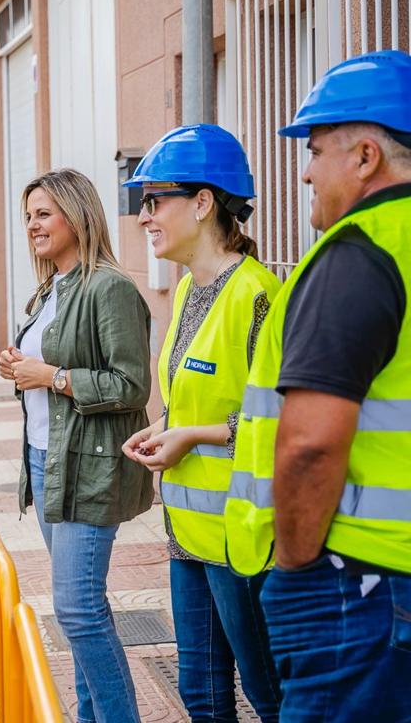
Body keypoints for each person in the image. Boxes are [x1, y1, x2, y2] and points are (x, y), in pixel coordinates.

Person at [224, 49, 411, 721]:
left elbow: (308, 446)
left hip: (355, 587)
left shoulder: (358, 255)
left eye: (315, 148)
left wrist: (298, 566)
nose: (304, 169)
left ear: (365, 158)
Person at [120, 125, 282, 722]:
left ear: (204, 202)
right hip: (188, 536)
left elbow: (281, 418)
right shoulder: (189, 289)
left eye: (155, 200)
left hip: (247, 542)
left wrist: (193, 437)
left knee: (272, 697)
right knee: (204, 697)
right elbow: (197, 398)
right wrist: (166, 425)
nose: (144, 216)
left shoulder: (258, 294)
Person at [0, 168, 153, 723]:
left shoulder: (109, 287)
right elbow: (47, 366)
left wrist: (53, 377)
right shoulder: (51, 287)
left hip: (89, 468)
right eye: (30, 216)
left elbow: (132, 385)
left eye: (44, 214)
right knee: (75, 612)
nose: (33, 225)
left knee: (79, 609)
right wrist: (19, 368)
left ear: (78, 215)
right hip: (47, 462)